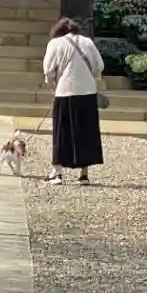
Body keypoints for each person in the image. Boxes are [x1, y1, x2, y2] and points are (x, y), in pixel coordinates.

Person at [41, 17, 105, 185]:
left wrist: (51, 84)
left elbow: (48, 69)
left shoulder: (55, 43)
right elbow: (99, 66)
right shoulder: (88, 42)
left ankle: (57, 172)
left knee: (61, 132)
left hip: (65, 91)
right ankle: (84, 174)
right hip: (87, 92)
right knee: (85, 132)